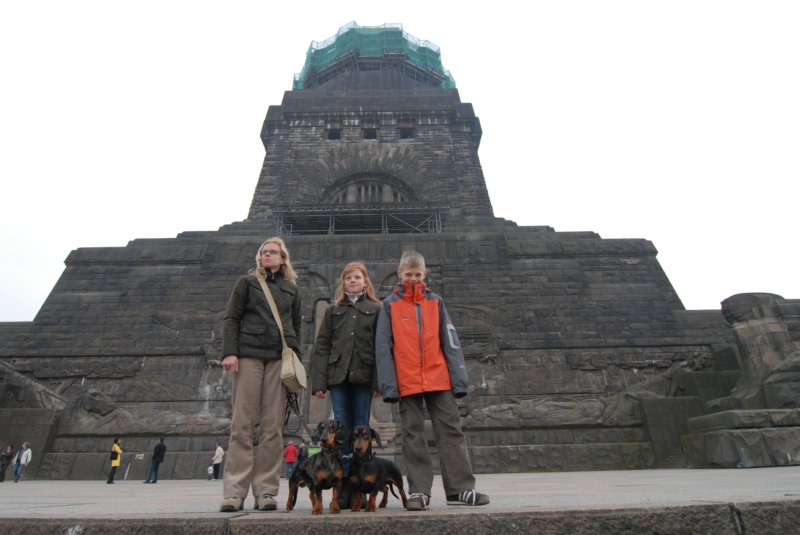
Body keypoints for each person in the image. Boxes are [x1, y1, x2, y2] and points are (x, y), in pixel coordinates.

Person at [376, 250, 490, 510]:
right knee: (412, 434)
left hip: (439, 377)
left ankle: (461, 490)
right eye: (409, 274)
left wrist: (459, 379)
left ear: (424, 274)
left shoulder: (436, 302)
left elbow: (450, 341)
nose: (414, 279)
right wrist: (388, 385)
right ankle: (418, 492)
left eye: (417, 274)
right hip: (407, 380)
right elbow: (383, 347)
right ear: (399, 273)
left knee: (451, 432)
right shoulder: (389, 305)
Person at [219, 238, 302, 513]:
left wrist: (296, 358)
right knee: (242, 424)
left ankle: (266, 490)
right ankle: (234, 491)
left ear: (282, 258)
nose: (267, 255)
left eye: (272, 252)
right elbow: (232, 318)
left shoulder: (291, 289)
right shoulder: (247, 283)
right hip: (249, 356)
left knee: (272, 427)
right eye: (264, 252)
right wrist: (230, 352)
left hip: (279, 358)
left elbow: (296, 326)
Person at [311, 261, 381, 507]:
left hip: (363, 375)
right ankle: (343, 488)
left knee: (361, 428)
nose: (352, 281)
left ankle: (359, 485)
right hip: (338, 376)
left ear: (365, 282)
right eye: (348, 278)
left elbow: (381, 349)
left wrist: (378, 382)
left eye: (357, 277)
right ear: (343, 283)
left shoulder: (376, 308)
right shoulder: (333, 310)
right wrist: (319, 382)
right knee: (341, 431)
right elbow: (322, 347)